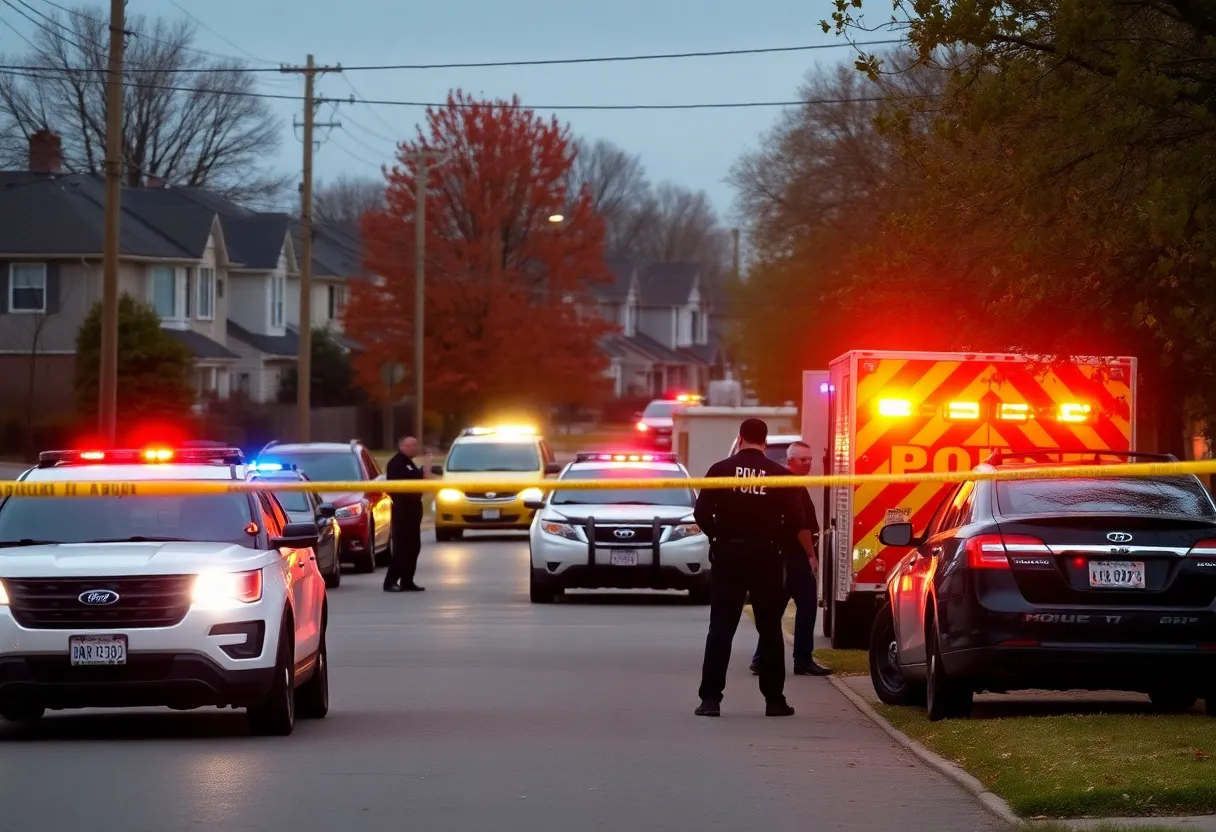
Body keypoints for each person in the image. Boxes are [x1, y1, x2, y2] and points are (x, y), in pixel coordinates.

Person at [694, 417, 806, 718]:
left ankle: (711, 700)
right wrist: (777, 542)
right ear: (765, 442)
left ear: (740, 438)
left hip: (729, 555)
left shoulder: (720, 471)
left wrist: (718, 536)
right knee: (769, 629)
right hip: (766, 557)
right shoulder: (781, 475)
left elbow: (701, 512)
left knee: (720, 628)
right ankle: (775, 701)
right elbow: (796, 520)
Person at [750, 441, 830, 677]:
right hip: (795, 556)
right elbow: (800, 527)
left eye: (810, 459)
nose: (807, 464)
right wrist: (811, 556)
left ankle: (760, 658)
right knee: (806, 607)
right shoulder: (793, 487)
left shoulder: (780, 484)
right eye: (802, 459)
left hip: (778, 556)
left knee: (774, 610)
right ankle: (803, 660)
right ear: (790, 460)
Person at [384, 435, 426, 592]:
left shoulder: (410, 464)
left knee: (414, 547)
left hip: (414, 509)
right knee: (402, 547)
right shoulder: (396, 463)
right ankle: (390, 581)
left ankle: (407, 580)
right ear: (402, 446)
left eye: (416, 445)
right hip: (403, 510)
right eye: (411, 445)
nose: (415, 448)